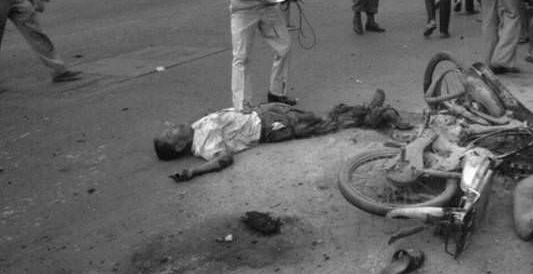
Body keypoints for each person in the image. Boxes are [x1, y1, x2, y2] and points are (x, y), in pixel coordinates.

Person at [154, 94, 408, 182]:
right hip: (271, 127)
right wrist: (194, 172)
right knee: (325, 123)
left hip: (265, 112)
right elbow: (224, 159)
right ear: (179, 146)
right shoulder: (203, 145)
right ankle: (376, 115)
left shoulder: (195, 127)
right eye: (169, 133)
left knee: (318, 117)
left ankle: (367, 111)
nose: (170, 126)